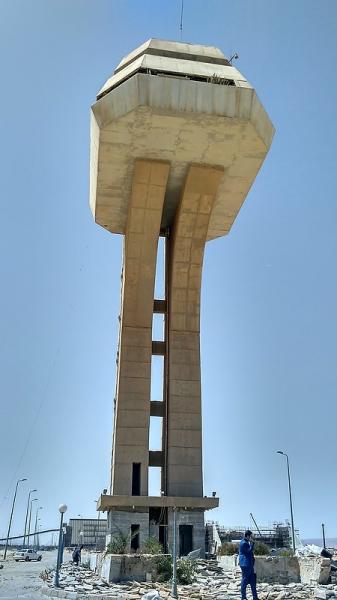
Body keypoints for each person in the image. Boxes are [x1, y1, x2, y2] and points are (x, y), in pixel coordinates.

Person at [239, 530, 259, 600]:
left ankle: (255, 597)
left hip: (249, 564)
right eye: (251, 536)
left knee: (253, 581)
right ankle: (243, 597)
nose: (251, 538)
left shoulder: (245, 542)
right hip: (246, 564)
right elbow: (249, 551)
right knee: (244, 581)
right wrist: (252, 543)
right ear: (247, 536)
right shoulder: (244, 543)